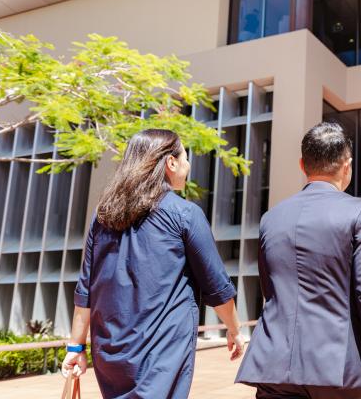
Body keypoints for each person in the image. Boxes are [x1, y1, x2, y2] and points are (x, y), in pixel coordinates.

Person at [61, 129, 245, 398]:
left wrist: (75, 348)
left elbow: (85, 290)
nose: (187, 164)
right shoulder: (184, 214)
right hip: (161, 355)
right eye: (184, 157)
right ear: (170, 163)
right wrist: (235, 329)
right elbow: (217, 287)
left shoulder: (103, 217)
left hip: (110, 353)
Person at [235, 122, 361, 399]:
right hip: (337, 368)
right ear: (347, 165)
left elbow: (270, 289)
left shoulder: (271, 218)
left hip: (274, 363)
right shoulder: (359, 213)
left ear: (302, 165)